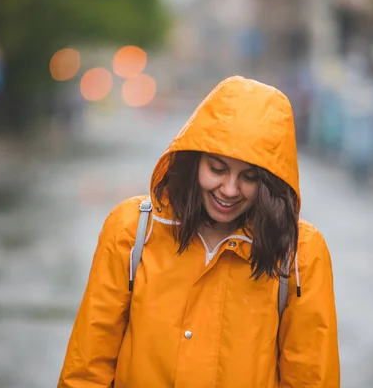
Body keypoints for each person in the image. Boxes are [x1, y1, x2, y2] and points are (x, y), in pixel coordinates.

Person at [58, 76, 340, 387]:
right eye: (217, 169)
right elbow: (87, 370)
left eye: (249, 177)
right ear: (194, 162)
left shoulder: (299, 254)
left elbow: (311, 378)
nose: (229, 190)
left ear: (271, 182)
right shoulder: (132, 230)